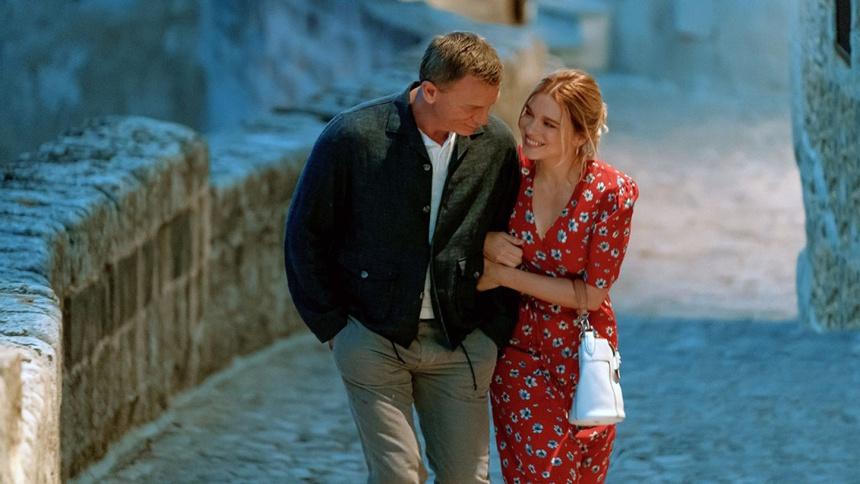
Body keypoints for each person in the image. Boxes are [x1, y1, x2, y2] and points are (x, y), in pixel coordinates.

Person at [283, 32, 520, 484]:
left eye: (489, 106)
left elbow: (512, 231)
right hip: (373, 338)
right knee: (398, 476)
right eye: (472, 107)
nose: (483, 119)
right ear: (429, 90)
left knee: (467, 480)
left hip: (461, 342)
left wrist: (490, 334)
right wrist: (336, 330)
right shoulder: (352, 137)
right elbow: (304, 236)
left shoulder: (496, 145)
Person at [479, 69, 638, 483]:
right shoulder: (509, 172)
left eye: (549, 124)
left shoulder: (610, 193)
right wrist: (486, 242)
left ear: (582, 134)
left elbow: (592, 293)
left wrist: (504, 276)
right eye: (529, 114)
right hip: (518, 350)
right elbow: (458, 227)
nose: (531, 129)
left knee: (584, 475)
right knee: (545, 475)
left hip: (585, 356)